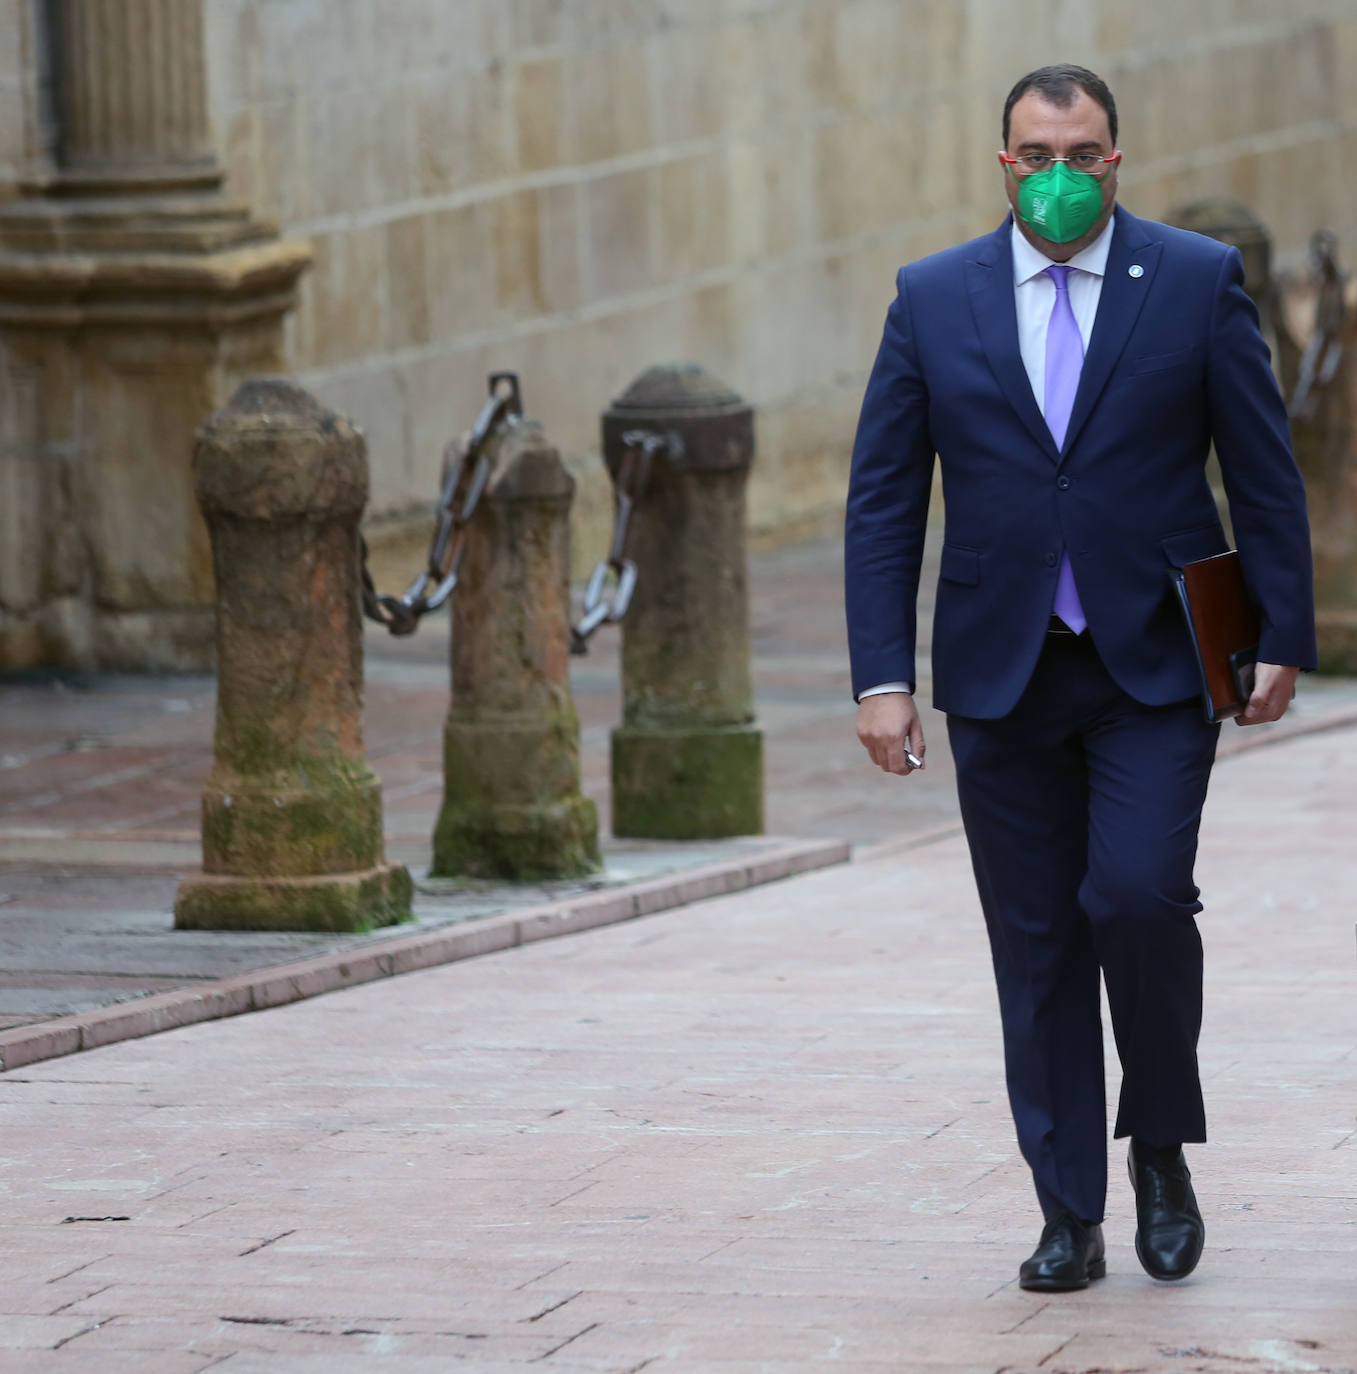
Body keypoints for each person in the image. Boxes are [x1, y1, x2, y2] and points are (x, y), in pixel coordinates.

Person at [844, 64, 1315, 1291]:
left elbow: (1261, 473)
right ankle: (1068, 1209)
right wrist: (880, 675)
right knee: (1037, 943)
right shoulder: (931, 298)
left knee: (1139, 899)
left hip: (1151, 661)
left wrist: (1284, 634)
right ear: (1002, 162)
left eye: (1085, 153)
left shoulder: (1196, 282)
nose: (1061, 175)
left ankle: (1158, 1143)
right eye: (1036, 153)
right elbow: (886, 499)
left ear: (1117, 159)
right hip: (999, 671)